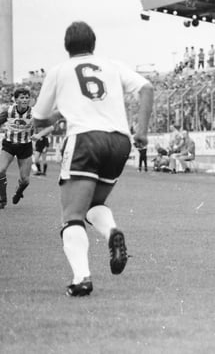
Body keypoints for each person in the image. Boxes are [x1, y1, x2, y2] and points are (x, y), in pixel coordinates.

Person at [32, 21, 153, 297]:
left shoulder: (59, 71)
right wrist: (142, 131)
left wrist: (59, 113)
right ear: (93, 44)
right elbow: (147, 89)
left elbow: (39, 119)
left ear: (66, 47)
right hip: (119, 141)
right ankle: (111, 233)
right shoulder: (112, 65)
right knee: (94, 205)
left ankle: (81, 278)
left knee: (71, 215)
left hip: (85, 139)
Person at [0, 87, 54, 208]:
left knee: (25, 180)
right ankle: (2, 199)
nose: (25, 100)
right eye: (22, 98)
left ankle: (19, 191)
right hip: (9, 145)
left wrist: (39, 135)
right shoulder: (8, 111)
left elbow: (50, 127)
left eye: (26, 97)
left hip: (25, 147)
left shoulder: (34, 113)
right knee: (0, 170)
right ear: (16, 99)